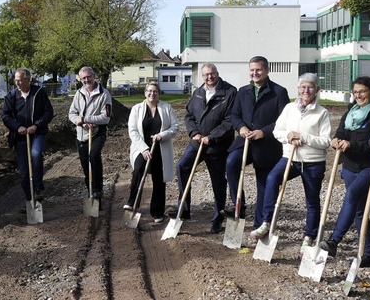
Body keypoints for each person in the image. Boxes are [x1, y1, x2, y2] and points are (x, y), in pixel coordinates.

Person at [250, 73, 331, 250]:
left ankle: (309, 236)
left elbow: (325, 141)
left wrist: (303, 137)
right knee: (272, 179)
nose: (306, 90)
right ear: (298, 89)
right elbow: (277, 130)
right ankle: (266, 223)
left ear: (316, 90)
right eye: (302, 87)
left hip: (313, 162)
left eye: (310, 87)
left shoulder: (322, 113)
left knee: (311, 200)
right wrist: (288, 137)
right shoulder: (289, 108)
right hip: (290, 158)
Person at [318, 77, 370, 267]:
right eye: (355, 92)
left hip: (369, 166)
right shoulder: (351, 111)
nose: (358, 95)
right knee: (359, 210)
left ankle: (334, 240)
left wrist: (351, 144)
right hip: (349, 166)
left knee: (351, 196)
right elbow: (341, 132)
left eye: (362, 91)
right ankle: (368, 254)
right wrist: (336, 140)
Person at [168, 63, 236, 233]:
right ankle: (184, 208)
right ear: (202, 76)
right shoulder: (198, 92)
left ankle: (217, 218)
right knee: (182, 167)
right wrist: (193, 133)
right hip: (197, 143)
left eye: (212, 74)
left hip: (217, 146)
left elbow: (230, 121)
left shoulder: (229, 92)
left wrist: (212, 137)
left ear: (217, 74)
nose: (209, 77)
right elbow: (189, 115)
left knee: (217, 181)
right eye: (205, 75)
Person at [224, 56, 290, 229]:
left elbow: (284, 120)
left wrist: (264, 132)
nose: (255, 73)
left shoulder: (278, 92)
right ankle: (239, 205)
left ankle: (259, 225)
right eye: (252, 70)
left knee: (263, 184)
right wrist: (241, 128)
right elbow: (234, 115)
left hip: (267, 145)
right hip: (245, 141)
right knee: (231, 163)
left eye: (258, 69)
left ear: (267, 70)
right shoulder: (243, 91)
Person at [124, 82, 180, 222]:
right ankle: (132, 202)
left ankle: (157, 211)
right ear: (145, 93)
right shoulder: (137, 109)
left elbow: (176, 126)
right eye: (149, 91)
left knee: (159, 179)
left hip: (160, 148)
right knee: (138, 170)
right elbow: (132, 131)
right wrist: (143, 148)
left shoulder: (167, 108)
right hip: (141, 149)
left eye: (155, 91)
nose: (152, 94)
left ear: (159, 93)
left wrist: (162, 135)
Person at [2, 68, 54, 203]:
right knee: (24, 171)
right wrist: (17, 127)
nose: (17, 83)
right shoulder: (11, 96)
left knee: (36, 154)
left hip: (37, 133)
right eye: (16, 80)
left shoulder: (39, 93)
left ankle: (38, 188)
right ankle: (29, 199)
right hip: (20, 136)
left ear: (28, 79)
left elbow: (48, 112)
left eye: (20, 80)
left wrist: (36, 125)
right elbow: (5, 116)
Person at [68, 66, 112, 205]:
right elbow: (72, 113)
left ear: (94, 76)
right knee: (85, 163)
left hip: (98, 133)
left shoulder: (104, 94)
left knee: (93, 156)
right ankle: (90, 190)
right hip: (81, 135)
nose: (87, 80)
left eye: (89, 77)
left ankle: (98, 190)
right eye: (83, 78)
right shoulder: (78, 93)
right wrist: (78, 122)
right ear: (80, 80)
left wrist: (87, 119)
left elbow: (106, 117)